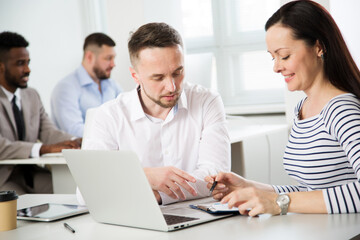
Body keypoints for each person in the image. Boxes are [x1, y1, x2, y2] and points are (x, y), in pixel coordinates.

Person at [206, 0, 360, 215]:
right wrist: (251, 188)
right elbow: (312, 192)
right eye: (273, 57)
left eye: (284, 56)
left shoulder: (342, 111)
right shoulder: (303, 109)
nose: (276, 67)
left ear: (319, 46)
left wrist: (280, 202)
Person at [81, 22, 230, 205]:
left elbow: (215, 177)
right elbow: (85, 190)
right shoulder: (109, 116)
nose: (172, 87)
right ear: (135, 76)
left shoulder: (207, 101)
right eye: (158, 78)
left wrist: (157, 194)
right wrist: (143, 176)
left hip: (197, 218)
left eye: (178, 73)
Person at [0, 31, 81, 194]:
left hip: (33, 174)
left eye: (28, 62)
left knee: (71, 191)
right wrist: (44, 149)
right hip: (4, 178)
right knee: (16, 205)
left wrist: (75, 141)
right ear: (1, 67)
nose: (28, 69)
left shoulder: (32, 96)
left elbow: (49, 133)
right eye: (20, 63)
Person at [51, 32, 121, 137]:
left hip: (112, 148)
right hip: (82, 151)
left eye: (113, 58)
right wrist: (113, 136)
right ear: (89, 57)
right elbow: (74, 130)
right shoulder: (66, 88)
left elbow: (127, 114)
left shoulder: (111, 84)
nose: (113, 64)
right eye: (108, 58)